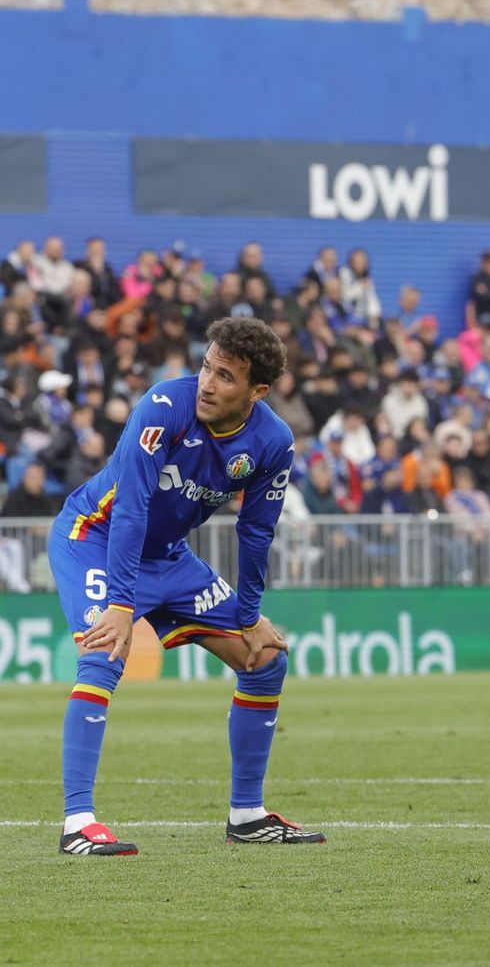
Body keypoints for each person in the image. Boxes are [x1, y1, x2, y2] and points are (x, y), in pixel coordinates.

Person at [47, 316, 323, 855]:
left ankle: (247, 815)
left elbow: (257, 531)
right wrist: (122, 604)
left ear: (257, 391)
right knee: (104, 653)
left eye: (224, 376)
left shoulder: (273, 442)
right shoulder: (163, 408)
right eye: (205, 367)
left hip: (168, 557)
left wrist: (248, 614)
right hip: (94, 538)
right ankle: (78, 822)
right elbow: (129, 508)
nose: (207, 382)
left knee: (265, 659)